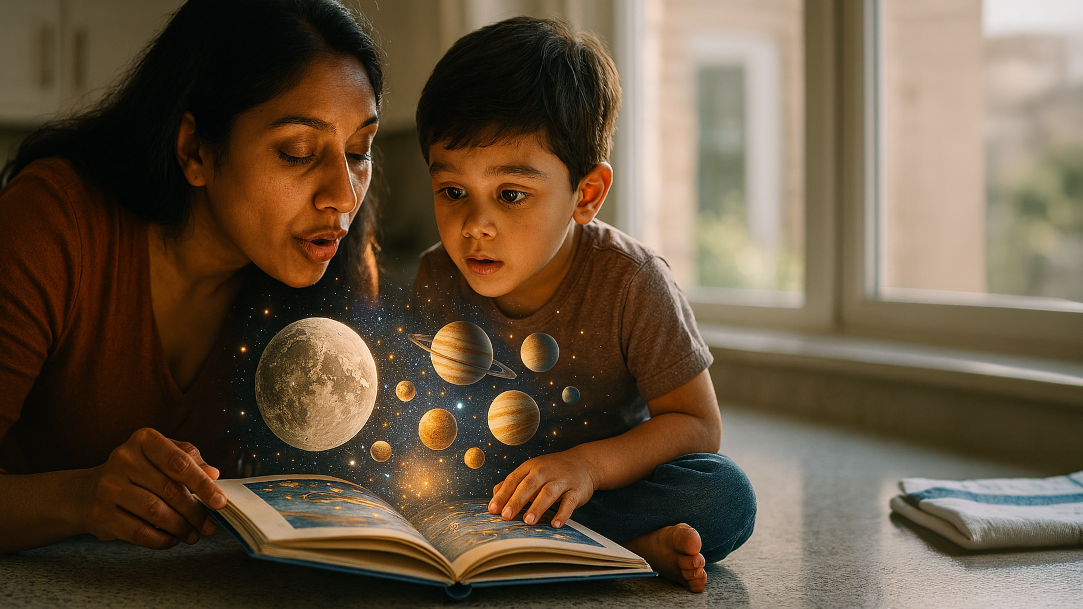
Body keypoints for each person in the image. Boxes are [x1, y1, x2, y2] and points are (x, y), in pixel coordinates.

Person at [0, 0, 382, 554]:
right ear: (195, 149)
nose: (343, 196)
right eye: (298, 153)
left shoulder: (338, 274)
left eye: (359, 151)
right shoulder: (55, 226)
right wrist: (81, 498)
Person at [411, 16, 756, 592]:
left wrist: (588, 467)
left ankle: (565, 541)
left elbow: (697, 424)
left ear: (586, 194)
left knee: (722, 495)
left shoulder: (633, 282)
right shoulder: (434, 276)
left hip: (609, 481)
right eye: (452, 192)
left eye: (511, 194)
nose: (475, 226)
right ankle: (613, 550)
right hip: (494, 481)